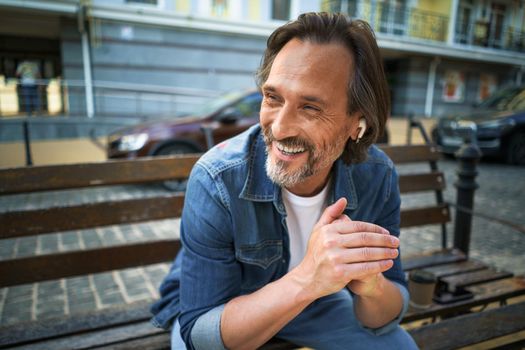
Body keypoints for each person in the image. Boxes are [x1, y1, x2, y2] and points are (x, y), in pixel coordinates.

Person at [151, 12, 418, 350]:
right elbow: (201, 334)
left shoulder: (376, 177)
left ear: (357, 123)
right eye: (273, 98)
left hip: (316, 304)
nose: (278, 129)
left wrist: (371, 287)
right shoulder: (217, 178)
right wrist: (308, 279)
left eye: (310, 107)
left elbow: (388, 312)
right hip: (228, 306)